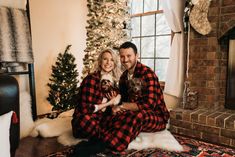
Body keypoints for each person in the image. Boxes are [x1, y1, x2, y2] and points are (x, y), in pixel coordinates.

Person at [71, 42, 170, 156]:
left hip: (156, 115)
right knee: (117, 118)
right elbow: (123, 101)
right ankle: (99, 140)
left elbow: (149, 105)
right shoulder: (123, 78)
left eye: (129, 56)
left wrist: (120, 106)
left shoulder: (147, 73)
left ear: (137, 56)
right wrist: (116, 108)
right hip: (131, 111)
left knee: (139, 116)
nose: (125, 59)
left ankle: (108, 144)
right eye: (122, 56)